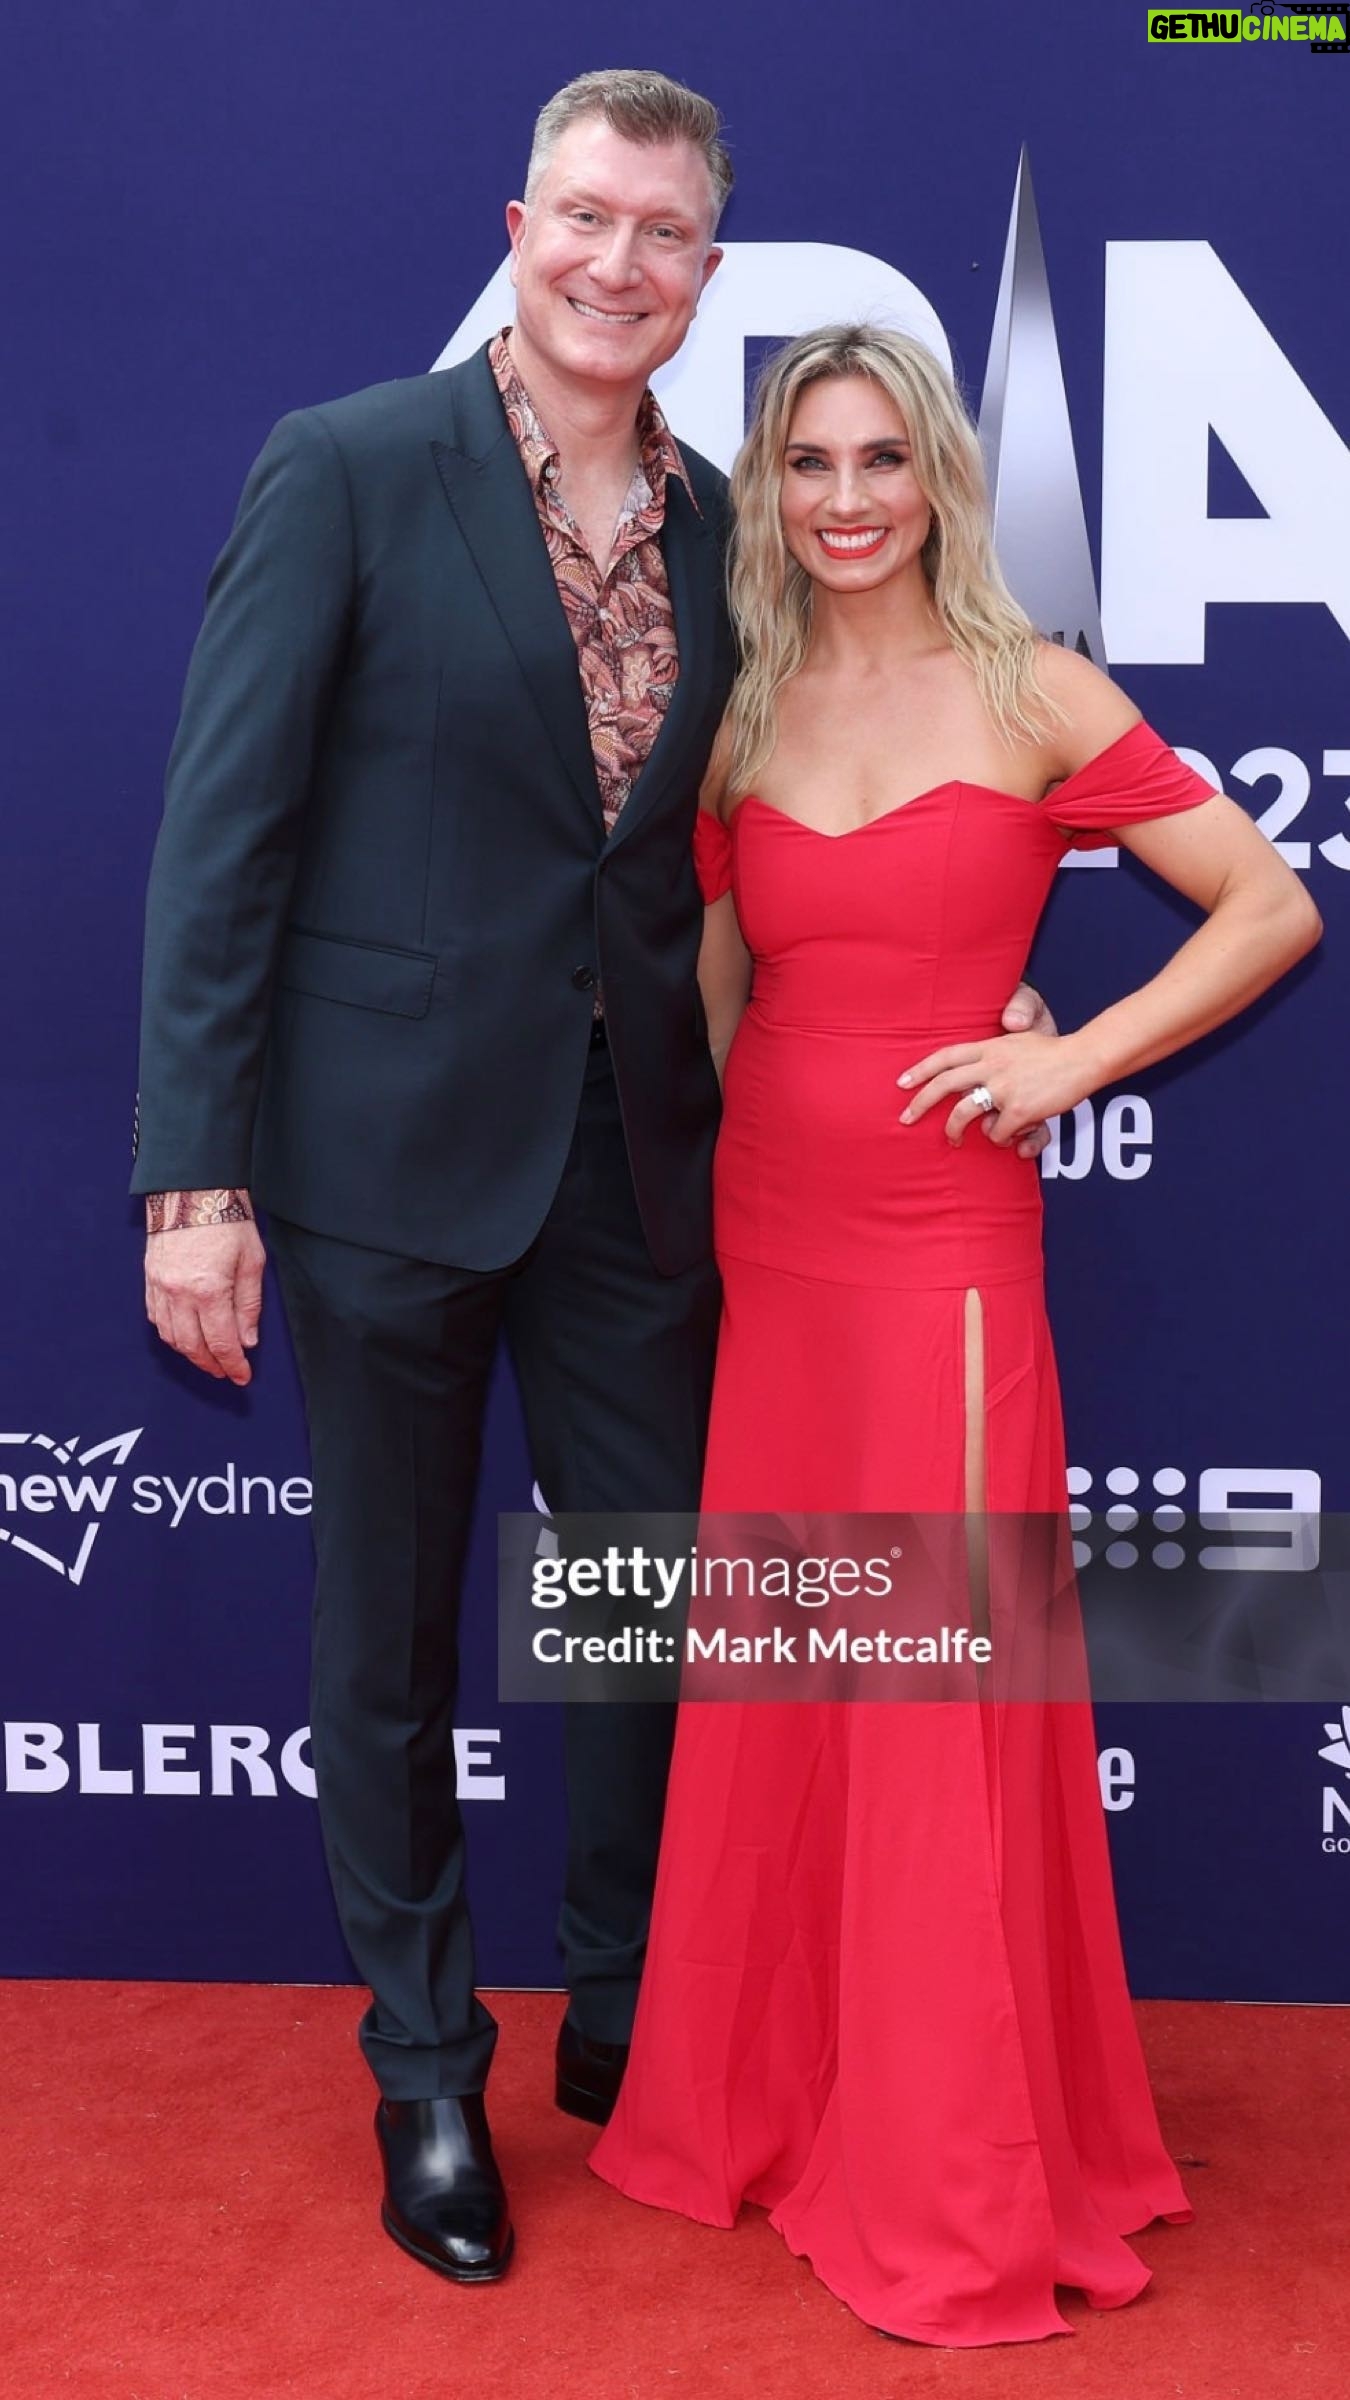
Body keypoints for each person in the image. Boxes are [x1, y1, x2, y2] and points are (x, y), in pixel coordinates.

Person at [131, 83, 1053, 2284]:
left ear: (707, 276)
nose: (617, 263)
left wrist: (987, 990)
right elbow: (221, 842)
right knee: (392, 1625)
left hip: (645, 1170)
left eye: (663, 234)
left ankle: (631, 2008)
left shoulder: (742, 528)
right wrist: (194, 1182)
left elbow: (812, 810)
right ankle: (428, 2067)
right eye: (586, 216)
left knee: (650, 1614)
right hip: (376, 1163)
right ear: (519, 225)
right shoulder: (351, 466)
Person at [589, 325, 1321, 2345]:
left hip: (944, 1248)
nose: (845, 499)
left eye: (882, 459)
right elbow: (718, 988)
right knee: (793, 1663)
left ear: (940, 483)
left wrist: (1067, 1057)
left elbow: (1266, 907)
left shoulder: (1033, 690)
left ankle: (951, 2154)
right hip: (775, 1244)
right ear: (773, 486)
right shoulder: (742, 708)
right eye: (809, 461)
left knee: (930, 1680)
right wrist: (680, 1217)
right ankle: (775, 2093)